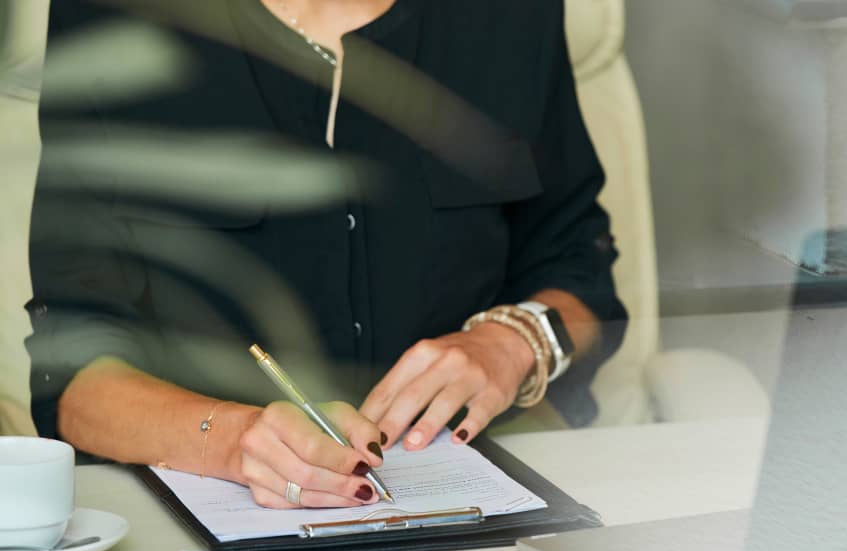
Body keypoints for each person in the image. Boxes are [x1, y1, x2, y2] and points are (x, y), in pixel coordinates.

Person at [26, 0, 627, 509]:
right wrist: (233, 441)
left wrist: (515, 342)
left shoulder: (509, 16)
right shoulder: (113, 16)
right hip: (208, 514)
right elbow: (74, 381)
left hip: (484, 497)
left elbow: (583, 277)